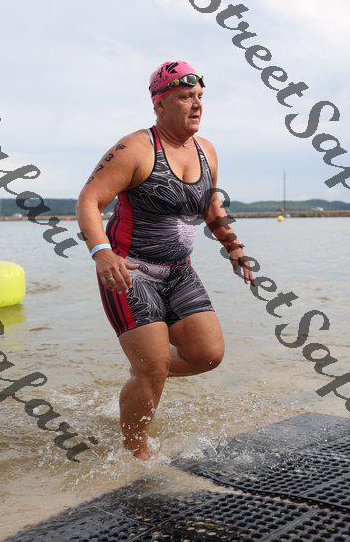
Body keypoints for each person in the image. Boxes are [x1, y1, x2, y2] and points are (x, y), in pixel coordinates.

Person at [77, 60, 254, 460]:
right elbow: (89, 199)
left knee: (207, 354)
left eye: (200, 96)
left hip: (179, 272)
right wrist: (101, 252)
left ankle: (144, 372)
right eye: (186, 97)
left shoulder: (207, 151)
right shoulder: (135, 149)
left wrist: (233, 246)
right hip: (129, 271)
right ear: (159, 104)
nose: (197, 105)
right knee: (153, 366)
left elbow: (210, 204)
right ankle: (134, 455)